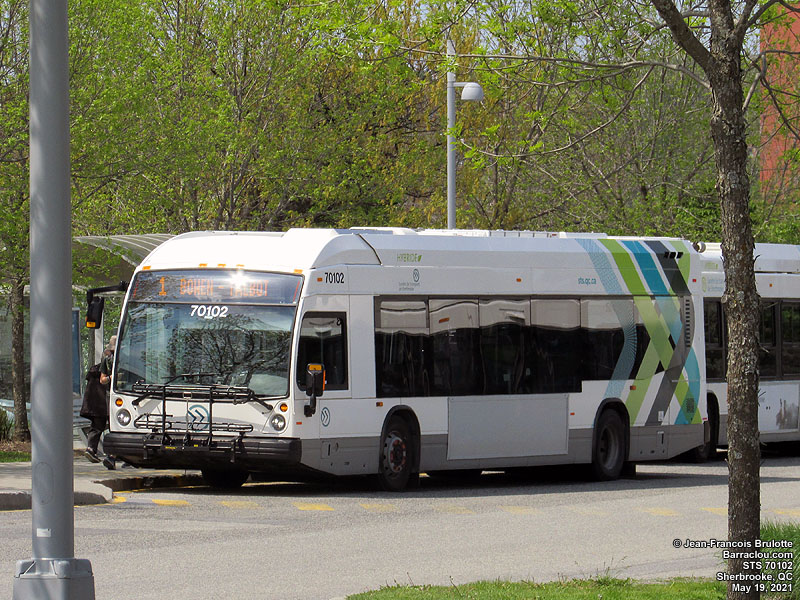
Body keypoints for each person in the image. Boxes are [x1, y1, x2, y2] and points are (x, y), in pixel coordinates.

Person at [80, 361, 107, 463]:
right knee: (114, 427)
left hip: (92, 405)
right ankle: (114, 454)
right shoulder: (106, 370)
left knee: (96, 427)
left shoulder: (94, 371)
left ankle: (90, 449)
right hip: (102, 404)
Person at [98, 335, 117, 470]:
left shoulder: (129, 359)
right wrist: (111, 378)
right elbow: (102, 379)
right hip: (111, 395)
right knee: (112, 425)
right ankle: (112, 456)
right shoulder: (107, 360)